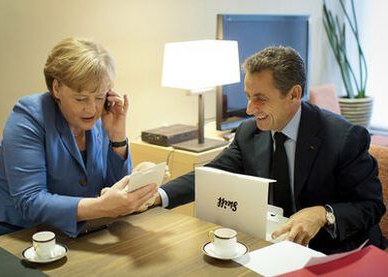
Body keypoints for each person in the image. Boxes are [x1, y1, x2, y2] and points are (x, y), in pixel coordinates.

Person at [155, 46, 386, 254]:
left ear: (294, 94)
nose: (249, 109)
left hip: (336, 251)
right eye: (247, 97)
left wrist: (323, 214)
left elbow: (371, 206)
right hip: (273, 248)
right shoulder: (248, 133)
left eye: (260, 99)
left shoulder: (344, 137)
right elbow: (210, 175)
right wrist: (158, 196)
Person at [0, 38, 157, 240]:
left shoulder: (101, 117)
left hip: (62, 234)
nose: (91, 109)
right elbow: (29, 201)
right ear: (56, 88)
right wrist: (100, 207)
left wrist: (117, 138)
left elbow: (114, 191)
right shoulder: (28, 116)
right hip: (3, 233)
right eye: (80, 98)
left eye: (99, 97)